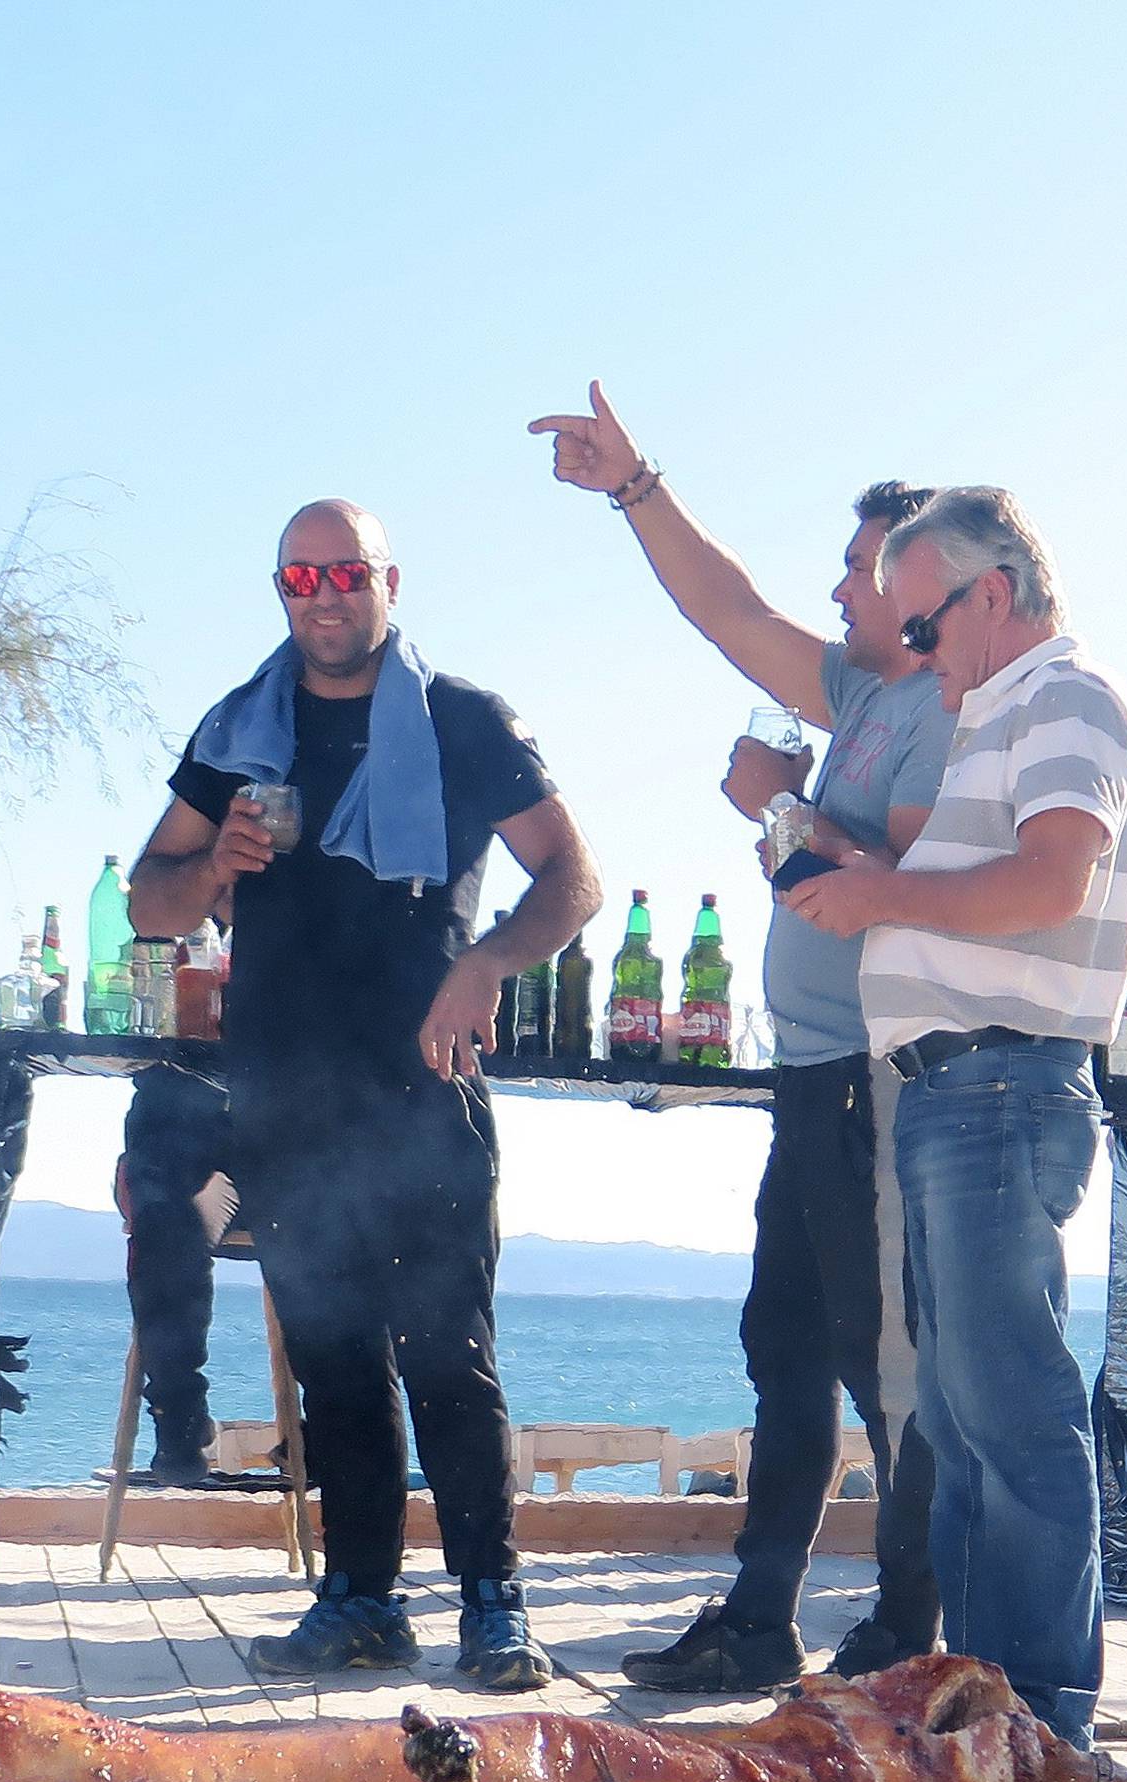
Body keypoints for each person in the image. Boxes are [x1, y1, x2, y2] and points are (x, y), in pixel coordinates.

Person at [128, 499, 601, 1688]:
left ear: (390, 580)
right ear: (279, 590)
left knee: (448, 1351)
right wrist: (213, 864)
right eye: (301, 576)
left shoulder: (460, 721)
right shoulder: (242, 731)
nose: (324, 595)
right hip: (286, 1091)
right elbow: (149, 902)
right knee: (333, 1360)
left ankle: (494, 1606)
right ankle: (358, 1600)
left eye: (346, 572)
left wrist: (486, 962)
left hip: (423, 1085)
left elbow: (574, 878)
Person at [529, 380, 955, 1692]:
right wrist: (635, 487)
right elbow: (727, 612)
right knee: (782, 1348)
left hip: (883, 1083)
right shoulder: (861, 696)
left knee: (885, 1365)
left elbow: (930, 892)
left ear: (921, 579)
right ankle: (763, 1615)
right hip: (809, 1078)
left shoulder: (950, 713)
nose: (835, 589)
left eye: (858, 566)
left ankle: (907, 1626)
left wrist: (790, 810)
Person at [787, 488, 1127, 1748]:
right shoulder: (1004, 708)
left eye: (925, 629)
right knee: (962, 1420)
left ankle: (1041, 1728)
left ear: (993, 593)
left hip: (997, 1086)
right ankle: (991, 1719)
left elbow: (1053, 880)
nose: (917, 656)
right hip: (960, 1090)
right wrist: (872, 885)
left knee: (1010, 1414)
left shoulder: (1065, 698)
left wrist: (880, 892)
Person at [116, 1067, 237, 1485]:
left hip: (280, 1143)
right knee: (162, 1206)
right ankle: (179, 1419)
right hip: (182, 1152)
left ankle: (179, 1420)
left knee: (161, 1212)